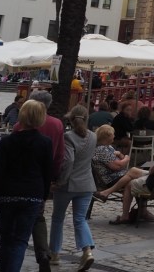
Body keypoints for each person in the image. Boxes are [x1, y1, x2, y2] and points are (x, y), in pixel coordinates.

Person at [0, 99, 53, 272]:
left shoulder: (7, 142)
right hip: (32, 195)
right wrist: (43, 197)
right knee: (20, 241)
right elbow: (47, 173)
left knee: (6, 238)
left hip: (7, 195)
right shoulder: (45, 143)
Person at [20, 90, 65, 272]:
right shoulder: (57, 124)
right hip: (42, 177)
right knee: (38, 216)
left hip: (21, 176)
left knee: (17, 218)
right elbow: (60, 154)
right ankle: (43, 254)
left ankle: (11, 253)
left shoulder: (21, 125)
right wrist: (54, 176)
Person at [50, 106, 96, 271]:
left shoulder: (68, 137)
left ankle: (55, 253)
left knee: (57, 218)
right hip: (86, 184)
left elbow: (68, 161)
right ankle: (87, 251)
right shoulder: (93, 136)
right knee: (80, 219)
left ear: (71, 119)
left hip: (68, 185)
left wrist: (60, 182)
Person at [91, 125, 145, 217]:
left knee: (136, 180)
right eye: (113, 134)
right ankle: (143, 211)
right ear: (107, 136)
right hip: (110, 178)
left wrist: (121, 155)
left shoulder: (109, 147)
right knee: (136, 175)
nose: (114, 136)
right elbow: (117, 166)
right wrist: (127, 158)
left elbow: (121, 160)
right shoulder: (101, 149)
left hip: (117, 175)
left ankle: (139, 212)